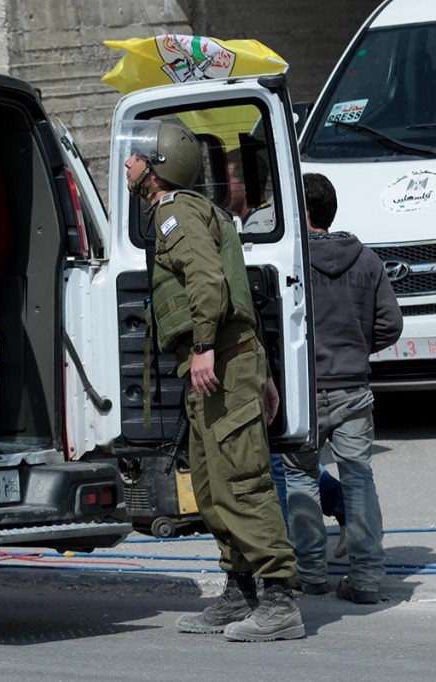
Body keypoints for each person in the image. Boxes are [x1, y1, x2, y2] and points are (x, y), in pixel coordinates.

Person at [123, 120, 304, 642]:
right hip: (228, 363)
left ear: (157, 169)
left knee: (240, 479)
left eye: (137, 157)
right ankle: (240, 589)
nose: (129, 163)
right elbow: (242, 295)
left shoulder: (175, 214)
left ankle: (279, 599)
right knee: (210, 484)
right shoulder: (189, 212)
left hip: (220, 362)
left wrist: (203, 346)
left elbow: (209, 282)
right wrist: (262, 372)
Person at [282, 173, 403, 603]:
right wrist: (357, 346)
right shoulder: (367, 259)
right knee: (359, 479)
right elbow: (392, 323)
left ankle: (310, 573)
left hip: (305, 392)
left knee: (300, 479)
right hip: (354, 387)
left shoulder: (291, 260)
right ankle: (367, 578)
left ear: (303, 210)